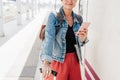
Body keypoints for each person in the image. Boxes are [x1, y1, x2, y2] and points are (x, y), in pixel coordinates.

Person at [40, 0, 89, 80]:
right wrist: (46, 63)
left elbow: (79, 42)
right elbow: (49, 39)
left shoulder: (79, 19)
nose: (70, 1)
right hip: (58, 61)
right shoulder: (54, 17)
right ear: (61, 0)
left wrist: (83, 39)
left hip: (74, 61)